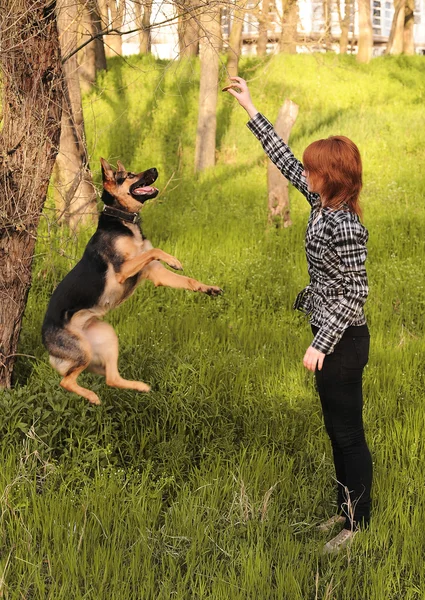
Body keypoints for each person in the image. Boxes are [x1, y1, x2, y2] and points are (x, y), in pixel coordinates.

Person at [224, 77, 372, 554]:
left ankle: (358, 527)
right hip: (329, 336)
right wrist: (251, 108)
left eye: (313, 171)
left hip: (344, 342)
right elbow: (284, 160)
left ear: (332, 177)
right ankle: (343, 508)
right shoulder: (321, 203)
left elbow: (355, 294)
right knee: (335, 428)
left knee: (348, 432)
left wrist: (320, 343)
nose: (305, 175)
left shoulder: (346, 224)